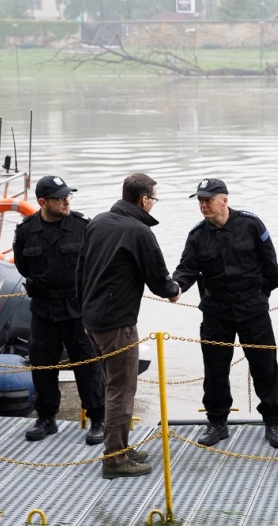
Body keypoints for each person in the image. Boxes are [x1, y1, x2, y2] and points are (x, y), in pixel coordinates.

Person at [77, 172, 181, 479]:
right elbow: (159, 279)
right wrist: (173, 289)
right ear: (144, 200)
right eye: (154, 199)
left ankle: (118, 445)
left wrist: (84, 308)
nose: (154, 204)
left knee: (112, 385)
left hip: (92, 319)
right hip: (117, 323)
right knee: (122, 390)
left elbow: (80, 269)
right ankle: (115, 458)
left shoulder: (97, 221)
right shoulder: (138, 231)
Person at [172, 179, 278, 449]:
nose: (202, 205)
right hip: (216, 311)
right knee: (214, 369)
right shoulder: (198, 235)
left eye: (208, 200)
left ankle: (273, 421)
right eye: (199, 200)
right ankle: (217, 422)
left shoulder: (250, 224)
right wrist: (177, 286)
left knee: (265, 366)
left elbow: (271, 266)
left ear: (223, 199)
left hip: (252, 309)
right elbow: (186, 268)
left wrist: (260, 296)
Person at [13, 176, 106, 444]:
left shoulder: (82, 227)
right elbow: (23, 266)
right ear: (43, 202)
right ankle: (46, 418)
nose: (66, 201)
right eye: (59, 197)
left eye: (68, 196)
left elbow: (93, 265)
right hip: (43, 309)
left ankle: (97, 418)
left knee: (87, 364)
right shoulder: (26, 230)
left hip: (77, 309)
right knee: (42, 364)